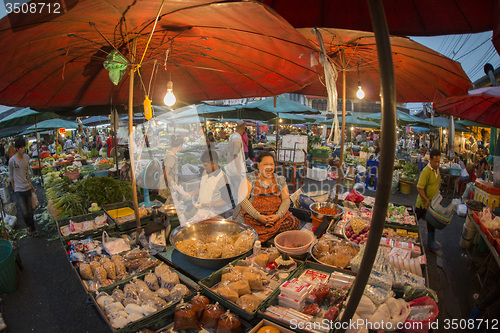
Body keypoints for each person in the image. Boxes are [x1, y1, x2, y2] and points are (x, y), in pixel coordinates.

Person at [233, 152, 300, 242]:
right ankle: (269, 237)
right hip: (253, 218)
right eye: (265, 164)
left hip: (274, 217)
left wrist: (278, 215)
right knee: (242, 229)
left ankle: (263, 237)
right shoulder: (250, 178)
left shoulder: (279, 180)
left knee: (294, 223)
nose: (269, 167)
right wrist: (258, 216)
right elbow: (242, 199)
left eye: (271, 164)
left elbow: (286, 200)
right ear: (258, 165)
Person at [190, 150, 234, 221]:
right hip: (202, 211)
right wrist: (190, 194)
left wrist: (207, 204)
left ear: (214, 164)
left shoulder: (223, 179)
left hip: (216, 214)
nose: (204, 167)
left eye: (206, 165)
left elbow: (226, 201)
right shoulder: (205, 172)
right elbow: (201, 188)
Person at [8, 137, 37, 237]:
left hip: (27, 187)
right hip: (18, 190)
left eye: (24, 147)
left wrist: (31, 184)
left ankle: (33, 229)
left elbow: (27, 172)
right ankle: (28, 227)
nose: (23, 149)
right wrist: (14, 188)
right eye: (21, 147)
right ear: (17, 149)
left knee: (30, 210)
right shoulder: (12, 161)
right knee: (24, 211)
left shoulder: (26, 158)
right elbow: (11, 176)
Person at [415, 149, 441, 252]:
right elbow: (419, 188)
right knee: (415, 221)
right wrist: (426, 200)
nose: (437, 163)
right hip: (422, 204)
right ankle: (411, 238)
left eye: (439, 161)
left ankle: (430, 244)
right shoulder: (426, 172)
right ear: (430, 160)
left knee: (431, 224)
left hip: (432, 204)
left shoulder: (437, 170)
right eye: (435, 161)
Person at [227, 120, 247, 186]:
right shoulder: (237, 138)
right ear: (243, 128)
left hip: (231, 169)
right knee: (239, 190)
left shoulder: (232, 136)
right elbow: (236, 154)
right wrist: (239, 170)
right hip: (237, 170)